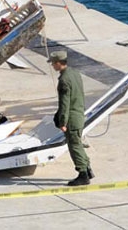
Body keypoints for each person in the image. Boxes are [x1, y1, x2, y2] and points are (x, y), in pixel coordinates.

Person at [49, 50, 94, 186]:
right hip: (79, 113)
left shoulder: (64, 80)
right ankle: (87, 169)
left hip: (72, 118)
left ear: (58, 63)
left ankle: (83, 174)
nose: (52, 66)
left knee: (74, 146)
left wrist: (63, 122)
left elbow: (65, 103)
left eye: (53, 63)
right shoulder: (74, 73)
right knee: (78, 144)